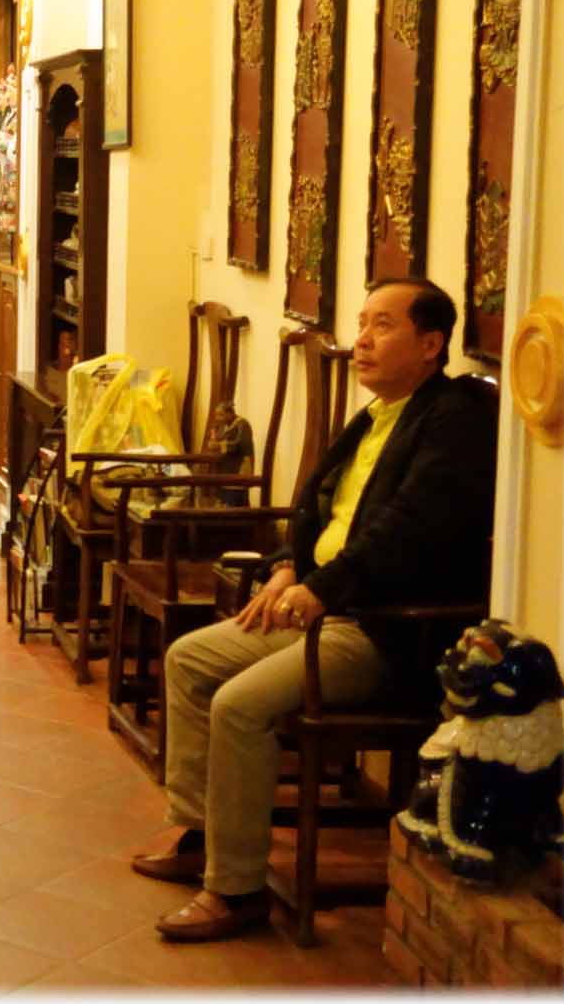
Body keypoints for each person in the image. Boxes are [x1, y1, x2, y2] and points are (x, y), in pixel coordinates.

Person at [131, 278, 499, 942]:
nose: (360, 340)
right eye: (361, 323)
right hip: (326, 610)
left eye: (382, 326)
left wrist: (324, 587)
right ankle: (200, 832)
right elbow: (317, 509)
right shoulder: (375, 414)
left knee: (238, 706)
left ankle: (236, 888)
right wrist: (287, 565)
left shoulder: (453, 419)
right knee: (189, 659)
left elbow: (408, 530)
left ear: (431, 343)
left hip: (385, 632)